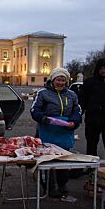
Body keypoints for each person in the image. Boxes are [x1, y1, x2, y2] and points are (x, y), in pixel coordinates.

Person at [31, 68, 82, 201]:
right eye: (58, 79)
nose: (60, 82)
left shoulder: (72, 95)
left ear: (66, 81)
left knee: (64, 159)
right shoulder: (43, 93)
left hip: (65, 132)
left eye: (63, 80)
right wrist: (44, 118)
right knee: (48, 159)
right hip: (48, 130)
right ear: (52, 80)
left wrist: (75, 122)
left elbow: (77, 110)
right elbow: (34, 110)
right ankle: (49, 187)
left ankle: (62, 185)